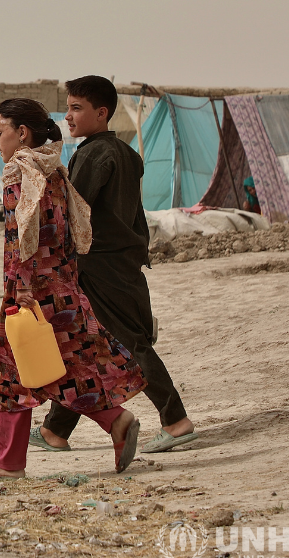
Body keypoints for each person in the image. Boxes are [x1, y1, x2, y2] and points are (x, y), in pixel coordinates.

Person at [0, 98, 145, 479]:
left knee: (13, 373)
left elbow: (23, 236)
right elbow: (66, 232)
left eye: (0, 133)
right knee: (67, 367)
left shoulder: (20, 173)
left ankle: (10, 461)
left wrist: (18, 287)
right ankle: (116, 421)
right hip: (62, 284)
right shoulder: (52, 170)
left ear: (22, 133)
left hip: (29, 290)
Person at [33, 76, 198, 456]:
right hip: (124, 264)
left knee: (129, 345)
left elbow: (73, 214)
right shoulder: (126, 153)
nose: (68, 117)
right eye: (68, 107)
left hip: (100, 268)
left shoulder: (92, 155)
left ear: (101, 113)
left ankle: (176, 422)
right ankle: (55, 431)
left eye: (77, 108)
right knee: (85, 348)